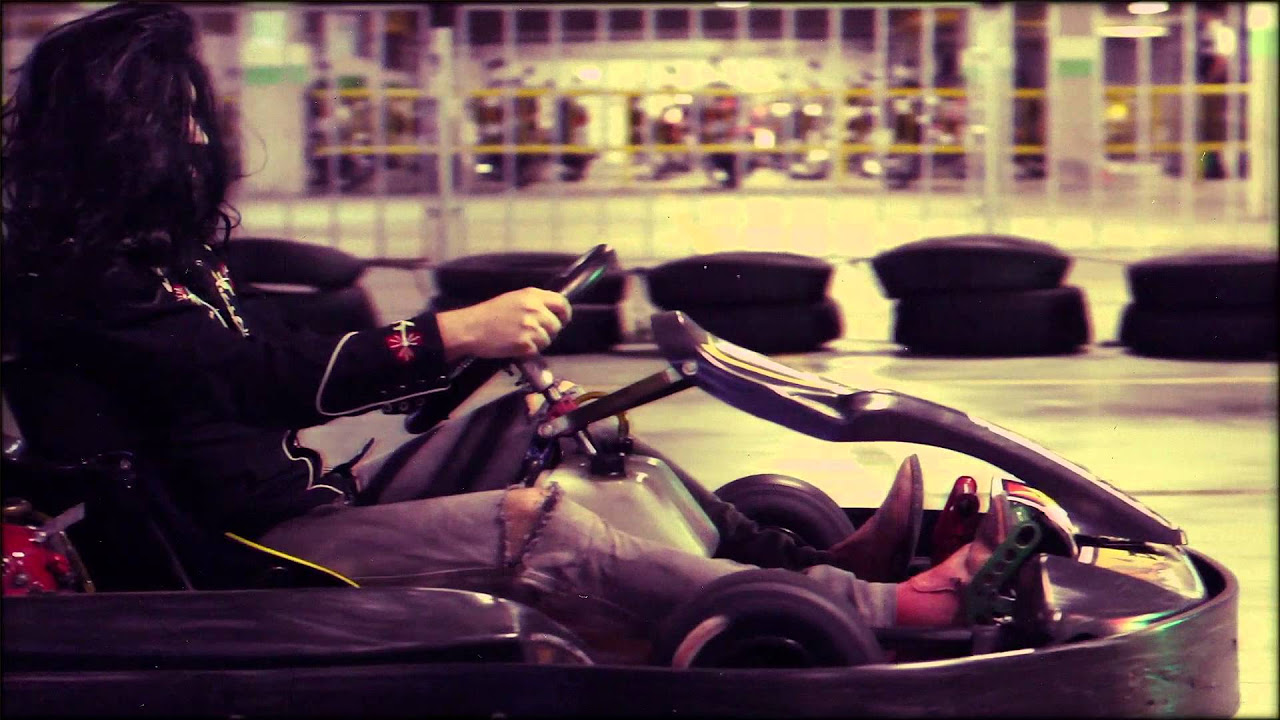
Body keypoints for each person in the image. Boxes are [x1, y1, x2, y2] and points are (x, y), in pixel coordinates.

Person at [2, 2, 981, 653]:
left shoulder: (160, 258)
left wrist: (467, 352)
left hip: (293, 503)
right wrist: (453, 333)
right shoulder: (77, 284)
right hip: (244, 556)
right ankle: (877, 609)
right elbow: (259, 376)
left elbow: (274, 364)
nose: (200, 138)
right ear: (115, 133)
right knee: (533, 525)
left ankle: (799, 566)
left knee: (564, 431)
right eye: (176, 117)